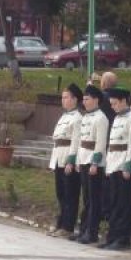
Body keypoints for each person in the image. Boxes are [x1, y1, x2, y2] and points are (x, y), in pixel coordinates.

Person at [100, 86, 131, 251]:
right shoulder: (117, 119)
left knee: (124, 204)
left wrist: (128, 165)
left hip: (124, 166)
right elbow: (112, 145)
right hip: (113, 165)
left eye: (115, 103)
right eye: (111, 104)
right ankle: (112, 236)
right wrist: (109, 166)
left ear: (124, 101)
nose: (113, 107)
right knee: (113, 203)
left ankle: (123, 238)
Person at [74, 84, 109, 244]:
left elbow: (100, 143)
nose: (84, 102)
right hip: (83, 159)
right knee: (86, 198)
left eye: (87, 99)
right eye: (84, 99)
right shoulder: (86, 117)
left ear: (96, 100)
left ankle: (92, 232)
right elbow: (81, 141)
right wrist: (78, 161)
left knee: (94, 200)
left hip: (94, 163)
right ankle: (84, 229)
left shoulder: (101, 118)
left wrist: (95, 163)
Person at [47, 83, 83, 238]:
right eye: (62, 97)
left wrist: (71, 160)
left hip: (68, 156)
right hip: (58, 156)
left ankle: (68, 226)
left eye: (66, 97)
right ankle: (60, 222)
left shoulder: (78, 118)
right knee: (60, 192)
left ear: (75, 99)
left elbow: (75, 140)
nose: (63, 100)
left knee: (70, 193)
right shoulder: (64, 116)